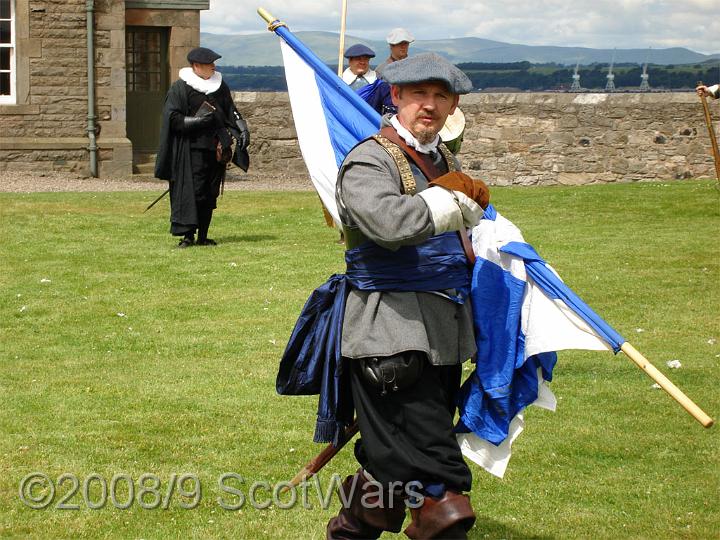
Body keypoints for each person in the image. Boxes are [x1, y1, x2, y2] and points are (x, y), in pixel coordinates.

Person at [325, 53, 490, 539]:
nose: (429, 106)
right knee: (440, 485)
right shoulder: (369, 158)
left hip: (443, 336)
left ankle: (348, 532)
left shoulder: (445, 160)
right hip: (389, 335)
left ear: (453, 104)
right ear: (395, 96)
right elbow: (388, 224)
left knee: (391, 468)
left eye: (441, 97)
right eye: (419, 94)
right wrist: (452, 202)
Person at [154, 46, 250, 248]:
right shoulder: (180, 89)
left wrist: (243, 129)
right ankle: (188, 236)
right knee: (193, 192)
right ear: (196, 66)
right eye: (209, 64)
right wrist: (197, 122)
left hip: (215, 149)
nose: (214, 67)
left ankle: (203, 236)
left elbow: (231, 110)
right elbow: (172, 118)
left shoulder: (220, 86)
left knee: (210, 193)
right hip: (190, 150)